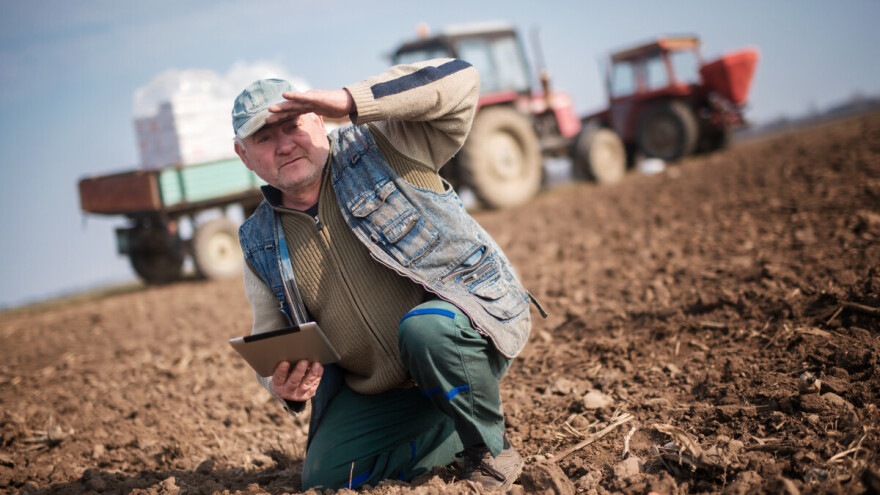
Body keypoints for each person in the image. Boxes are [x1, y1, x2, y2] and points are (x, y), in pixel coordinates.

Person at [232, 58, 542, 491]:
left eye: (293, 126)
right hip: (381, 391)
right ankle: (453, 425)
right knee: (327, 477)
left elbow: (462, 80)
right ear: (242, 155)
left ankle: (489, 450)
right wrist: (280, 382)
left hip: (464, 337)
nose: (284, 145)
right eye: (264, 138)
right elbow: (271, 336)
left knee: (425, 331)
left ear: (320, 121)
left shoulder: (388, 147)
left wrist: (352, 100)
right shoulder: (257, 240)